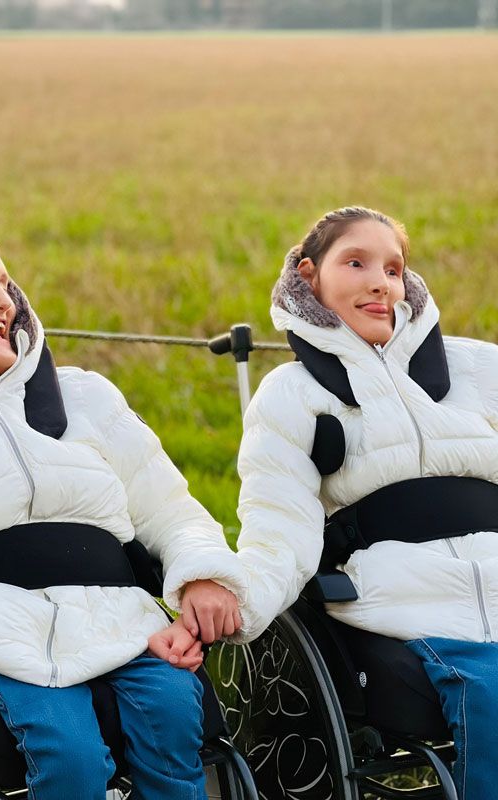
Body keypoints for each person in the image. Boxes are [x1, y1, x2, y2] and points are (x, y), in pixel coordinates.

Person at [0, 219, 246, 800]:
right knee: (71, 756)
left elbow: (170, 508)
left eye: (4, 283)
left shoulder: (85, 395)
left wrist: (204, 575)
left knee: (172, 716)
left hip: (121, 618)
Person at [235, 205, 498, 800]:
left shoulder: (475, 366)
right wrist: (238, 603)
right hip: (409, 597)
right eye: (356, 262)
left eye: (393, 268)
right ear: (309, 276)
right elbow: (278, 524)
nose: (381, 281)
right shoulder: (293, 394)